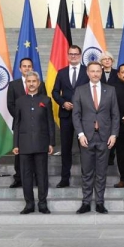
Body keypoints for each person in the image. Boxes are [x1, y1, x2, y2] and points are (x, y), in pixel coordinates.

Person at [73, 61, 120, 214]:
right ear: (87, 73)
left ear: (101, 72)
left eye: (98, 71)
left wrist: (114, 134)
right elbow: (76, 115)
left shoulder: (110, 90)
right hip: (86, 137)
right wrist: (80, 134)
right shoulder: (80, 90)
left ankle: (99, 202)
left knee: (101, 172)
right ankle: (86, 202)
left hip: (105, 137)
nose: (95, 74)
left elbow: (115, 115)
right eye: (92, 71)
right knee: (87, 172)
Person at [12, 71, 55, 214]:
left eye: (34, 81)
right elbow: (16, 124)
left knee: (42, 175)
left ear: (38, 83)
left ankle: (42, 203)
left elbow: (50, 122)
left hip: (41, 143)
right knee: (26, 175)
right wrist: (15, 144)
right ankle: (29, 204)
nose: (31, 84)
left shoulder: (46, 100)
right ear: (26, 83)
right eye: (28, 81)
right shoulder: (19, 101)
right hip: (24, 144)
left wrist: (51, 142)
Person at [52, 45, 89, 188]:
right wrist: (63, 103)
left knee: (84, 147)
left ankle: (85, 177)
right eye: (71, 54)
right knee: (66, 148)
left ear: (80, 55)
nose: (73, 56)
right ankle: (64, 178)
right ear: (68, 56)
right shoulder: (61, 72)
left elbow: (92, 91)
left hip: (84, 115)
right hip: (66, 115)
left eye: (76, 54)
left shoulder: (87, 72)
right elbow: (55, 92)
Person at [7, 57, 47, 189]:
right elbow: (10, 104)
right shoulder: (13, 85)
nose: (27, 68)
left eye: (29, 66)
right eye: (24, 66)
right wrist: (22, 118)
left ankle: (36, 178)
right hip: (20, 125)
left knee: (36, 154)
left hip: (37, 126)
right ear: (20, 69)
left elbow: (44, 103)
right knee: (20, 155)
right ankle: (18, 178)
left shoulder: (39, 84)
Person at [99, 51, 119, 165]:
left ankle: (111, 157)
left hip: (114, 106)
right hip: (100, 109)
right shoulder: (97, 73)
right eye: (104, 59)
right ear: (101, 62)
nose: (107, 61)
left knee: (113, 132)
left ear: (112, 61)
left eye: (109, 59)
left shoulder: (117, 73)